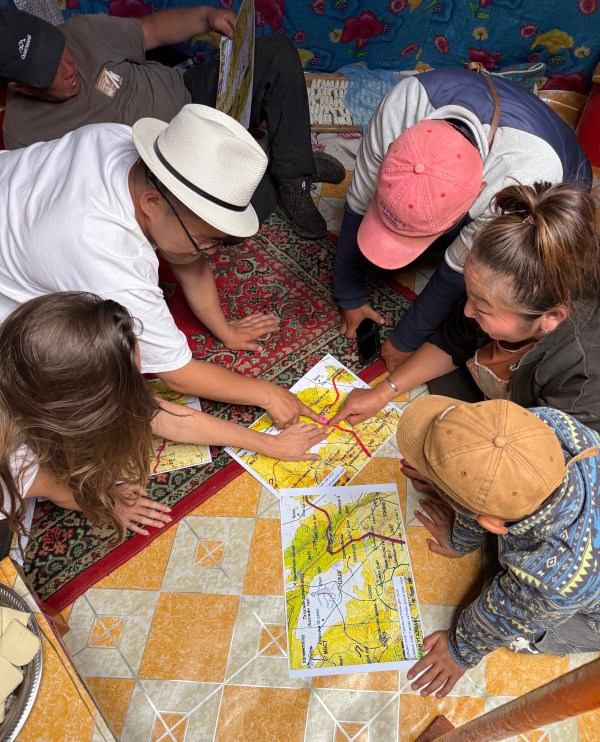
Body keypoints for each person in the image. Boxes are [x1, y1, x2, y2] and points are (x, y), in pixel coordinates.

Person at [0, 104, 330, 447]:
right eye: (205, 240)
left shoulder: (124, 147)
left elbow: (188, 252)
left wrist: (226, 330)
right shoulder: (108, 259)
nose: (211, 254)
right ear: (152, 204)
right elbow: (178, 376)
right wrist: (267, 394)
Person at [1, 292, 328, 543]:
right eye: (132, 373)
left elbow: (168, 417)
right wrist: (109, 504)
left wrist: (269, 444)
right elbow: (64, 491)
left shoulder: (33, 361)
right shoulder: (12, 464)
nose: (143, 373)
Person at [0, 6, 345, 239]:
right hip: (173, 169)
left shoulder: (81, 31)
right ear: (18, 86)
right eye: (51, 73)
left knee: (278, 53)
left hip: (189, 94)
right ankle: (276, 157)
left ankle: (293, 175)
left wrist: (206, 17)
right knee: (241, 218)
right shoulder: (24, 137)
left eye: (63, 52)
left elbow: (150, 30)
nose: (69, 70)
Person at [332, 67, 592, 369]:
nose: (471, 311)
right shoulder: (401, 107)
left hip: (555, 189)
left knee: (489, 288)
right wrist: (349, 296)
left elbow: (455, 272)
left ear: (480, 193)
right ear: (393, 149)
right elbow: (357, 205)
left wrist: (404, 342)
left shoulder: (522, 178)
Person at [331, 181, 600, 432]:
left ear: (551, 317)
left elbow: (547, 456)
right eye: (469, 295)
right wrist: (382, 392)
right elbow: (453, 340)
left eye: (483, 308)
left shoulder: (582, 380)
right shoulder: (501, 291)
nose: (467, 311)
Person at [396, 394, 600, 698]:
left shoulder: (557, 581)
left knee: (522, 632)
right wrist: (448, 479)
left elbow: (504, 614)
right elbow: (482, 501)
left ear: (492, 524)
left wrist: (460, 648)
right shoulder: (549, 423)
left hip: (585, 606)